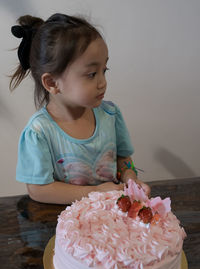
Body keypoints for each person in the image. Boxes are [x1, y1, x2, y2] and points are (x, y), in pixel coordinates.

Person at [10, 13, 150, 204]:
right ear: (52, 82)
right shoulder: (39, 132)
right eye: (92, 74)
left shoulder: (111, 115)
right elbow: (39, 190)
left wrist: (130, 178)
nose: (103, 82)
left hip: (113, 220)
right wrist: (95, 192)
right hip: (65, 224)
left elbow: (123, 159)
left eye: (104, 70)